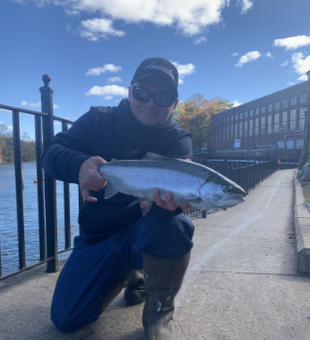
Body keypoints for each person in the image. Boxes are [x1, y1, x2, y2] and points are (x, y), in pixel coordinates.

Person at [43, 57, 195, 340]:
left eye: (163, 97)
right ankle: (127, 274)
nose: (151, 103)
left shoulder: (177, 139)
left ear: (174, 104)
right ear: (129, 92)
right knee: (67, 318)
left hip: (145, 234)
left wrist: (174, 204)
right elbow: (51, 155)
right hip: (97, 238)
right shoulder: (96, 120)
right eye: (143, 93)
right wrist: (78, 164)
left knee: (176, 226)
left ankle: (159, 314)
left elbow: (174, 208)